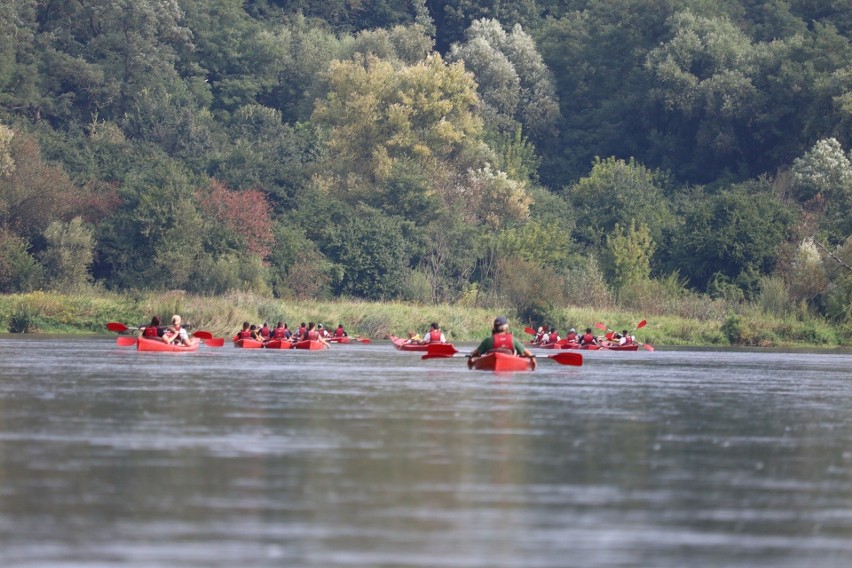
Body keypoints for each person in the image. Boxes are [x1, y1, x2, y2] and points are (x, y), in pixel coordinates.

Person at [468, 316, 536, 369]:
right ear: (506, 328)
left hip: (488, 363)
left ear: (494, 327)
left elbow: (474, 354)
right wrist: (532, 360)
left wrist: (471, 359)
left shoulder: (488, 340)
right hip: (510, 362)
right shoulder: (513, 340)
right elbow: (529, 354)